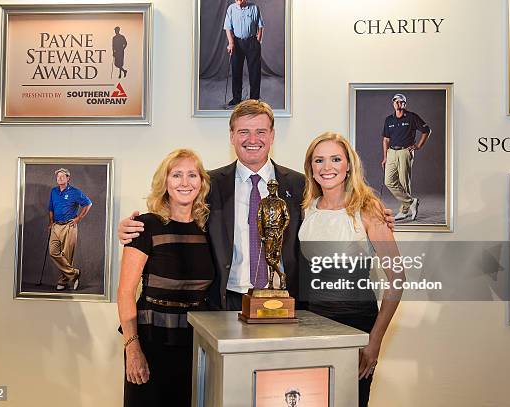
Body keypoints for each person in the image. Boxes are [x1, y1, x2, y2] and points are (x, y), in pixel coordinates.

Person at [118, 100, 395, 311]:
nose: (253, 139)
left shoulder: (301, 186)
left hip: (288, 304)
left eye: (261, 131)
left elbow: (336, 206)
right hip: (225, 303)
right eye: (244, 132)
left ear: (272, 136)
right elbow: (175, 214)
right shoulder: (209, 184)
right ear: (231, 136)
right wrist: (133, 228)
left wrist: (375, 215)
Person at [299, 132, 403, 407]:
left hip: (355, 327)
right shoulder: (307, 209)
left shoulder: (368, 208)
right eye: (319, 160)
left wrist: (375, 340)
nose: (327, 167)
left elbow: (397, 279)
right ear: (311, 167)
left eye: (335, 159)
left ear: (348, 166)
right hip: (309, 329)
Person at [117, 149, 214, 407]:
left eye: (192, 175)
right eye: (177, 175)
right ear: (165, 182)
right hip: (151, 341)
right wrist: (132, 348)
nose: (185, 182)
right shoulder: (146, 226)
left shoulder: (208, 229)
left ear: (202, 182)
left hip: (197, 343)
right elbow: (126, 292)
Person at [381, 93, 431, 221]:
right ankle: (411, 202)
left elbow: (427, 131)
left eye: (400, 102)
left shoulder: (412, 117)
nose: (398, 104)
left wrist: (418, 145)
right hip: (391, 152)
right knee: (388, 181)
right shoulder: (389, 120)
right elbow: (386, 140)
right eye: (396, 101)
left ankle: (404, 211)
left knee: (404, 182)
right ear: (393, 103)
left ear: (405, 104)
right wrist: (385, 157)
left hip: (405, 152)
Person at [48, 168, 92, 291]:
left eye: (63, 176)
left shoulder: (75, 192)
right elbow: (51, 207)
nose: (60, 178)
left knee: (67, 255)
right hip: (56, 225)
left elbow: (88, 203)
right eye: (58, 177)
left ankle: (63, 281)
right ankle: (74, 273)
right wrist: (51, 222)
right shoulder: (54, 192)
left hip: (69, 225)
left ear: (68, 178)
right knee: (53, 252)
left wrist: (78, 218)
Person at [224, 0, 264, 106]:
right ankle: (237, 98)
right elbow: (228, 28)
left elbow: (260, 26)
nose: (238, 1)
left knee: (255, 72)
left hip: (252, 42)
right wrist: (231, 43)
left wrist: (258, 42)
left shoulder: (254, 8)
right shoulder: (231, 9)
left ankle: (254, 99)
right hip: (237, 42)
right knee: (236, 71)